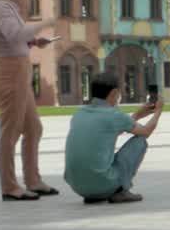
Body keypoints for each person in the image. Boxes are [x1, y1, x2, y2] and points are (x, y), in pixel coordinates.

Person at [0, 0, 55, 201]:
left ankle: (33, 180)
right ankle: (10, 187)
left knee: (33, 128)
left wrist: (34, 42)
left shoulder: (6, 5)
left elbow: (14, 38)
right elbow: (15, 34)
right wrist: (46, 23)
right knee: (10, 132)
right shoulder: (0, 5)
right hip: (10, 74)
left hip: (18, 73)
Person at [64, 72, 164, 204]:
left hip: (77, 186)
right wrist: (158, 112)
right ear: (114, 93)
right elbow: (146, 132)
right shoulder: (114, 114)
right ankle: (120, 191)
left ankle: (95, 194)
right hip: (102, 184)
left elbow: (107, 132)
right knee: (140, 141)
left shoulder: (79, 113)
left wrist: (137, 115)